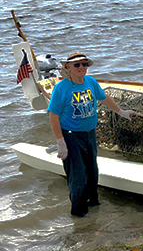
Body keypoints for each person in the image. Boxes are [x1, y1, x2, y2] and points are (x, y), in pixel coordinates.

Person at [48, 52, 135, 217]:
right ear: (68, 67)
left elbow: (104, 98)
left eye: (84, 64)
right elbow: (53, 116)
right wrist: (60, 142)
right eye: (77, 65)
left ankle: (93, 208)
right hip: (72, 136)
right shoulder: (61, 87)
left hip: (90, 134)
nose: (81, 67)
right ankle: (79, 217)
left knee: (92, 172)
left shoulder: (91, 82)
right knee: (78, 177)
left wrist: (121, 112)